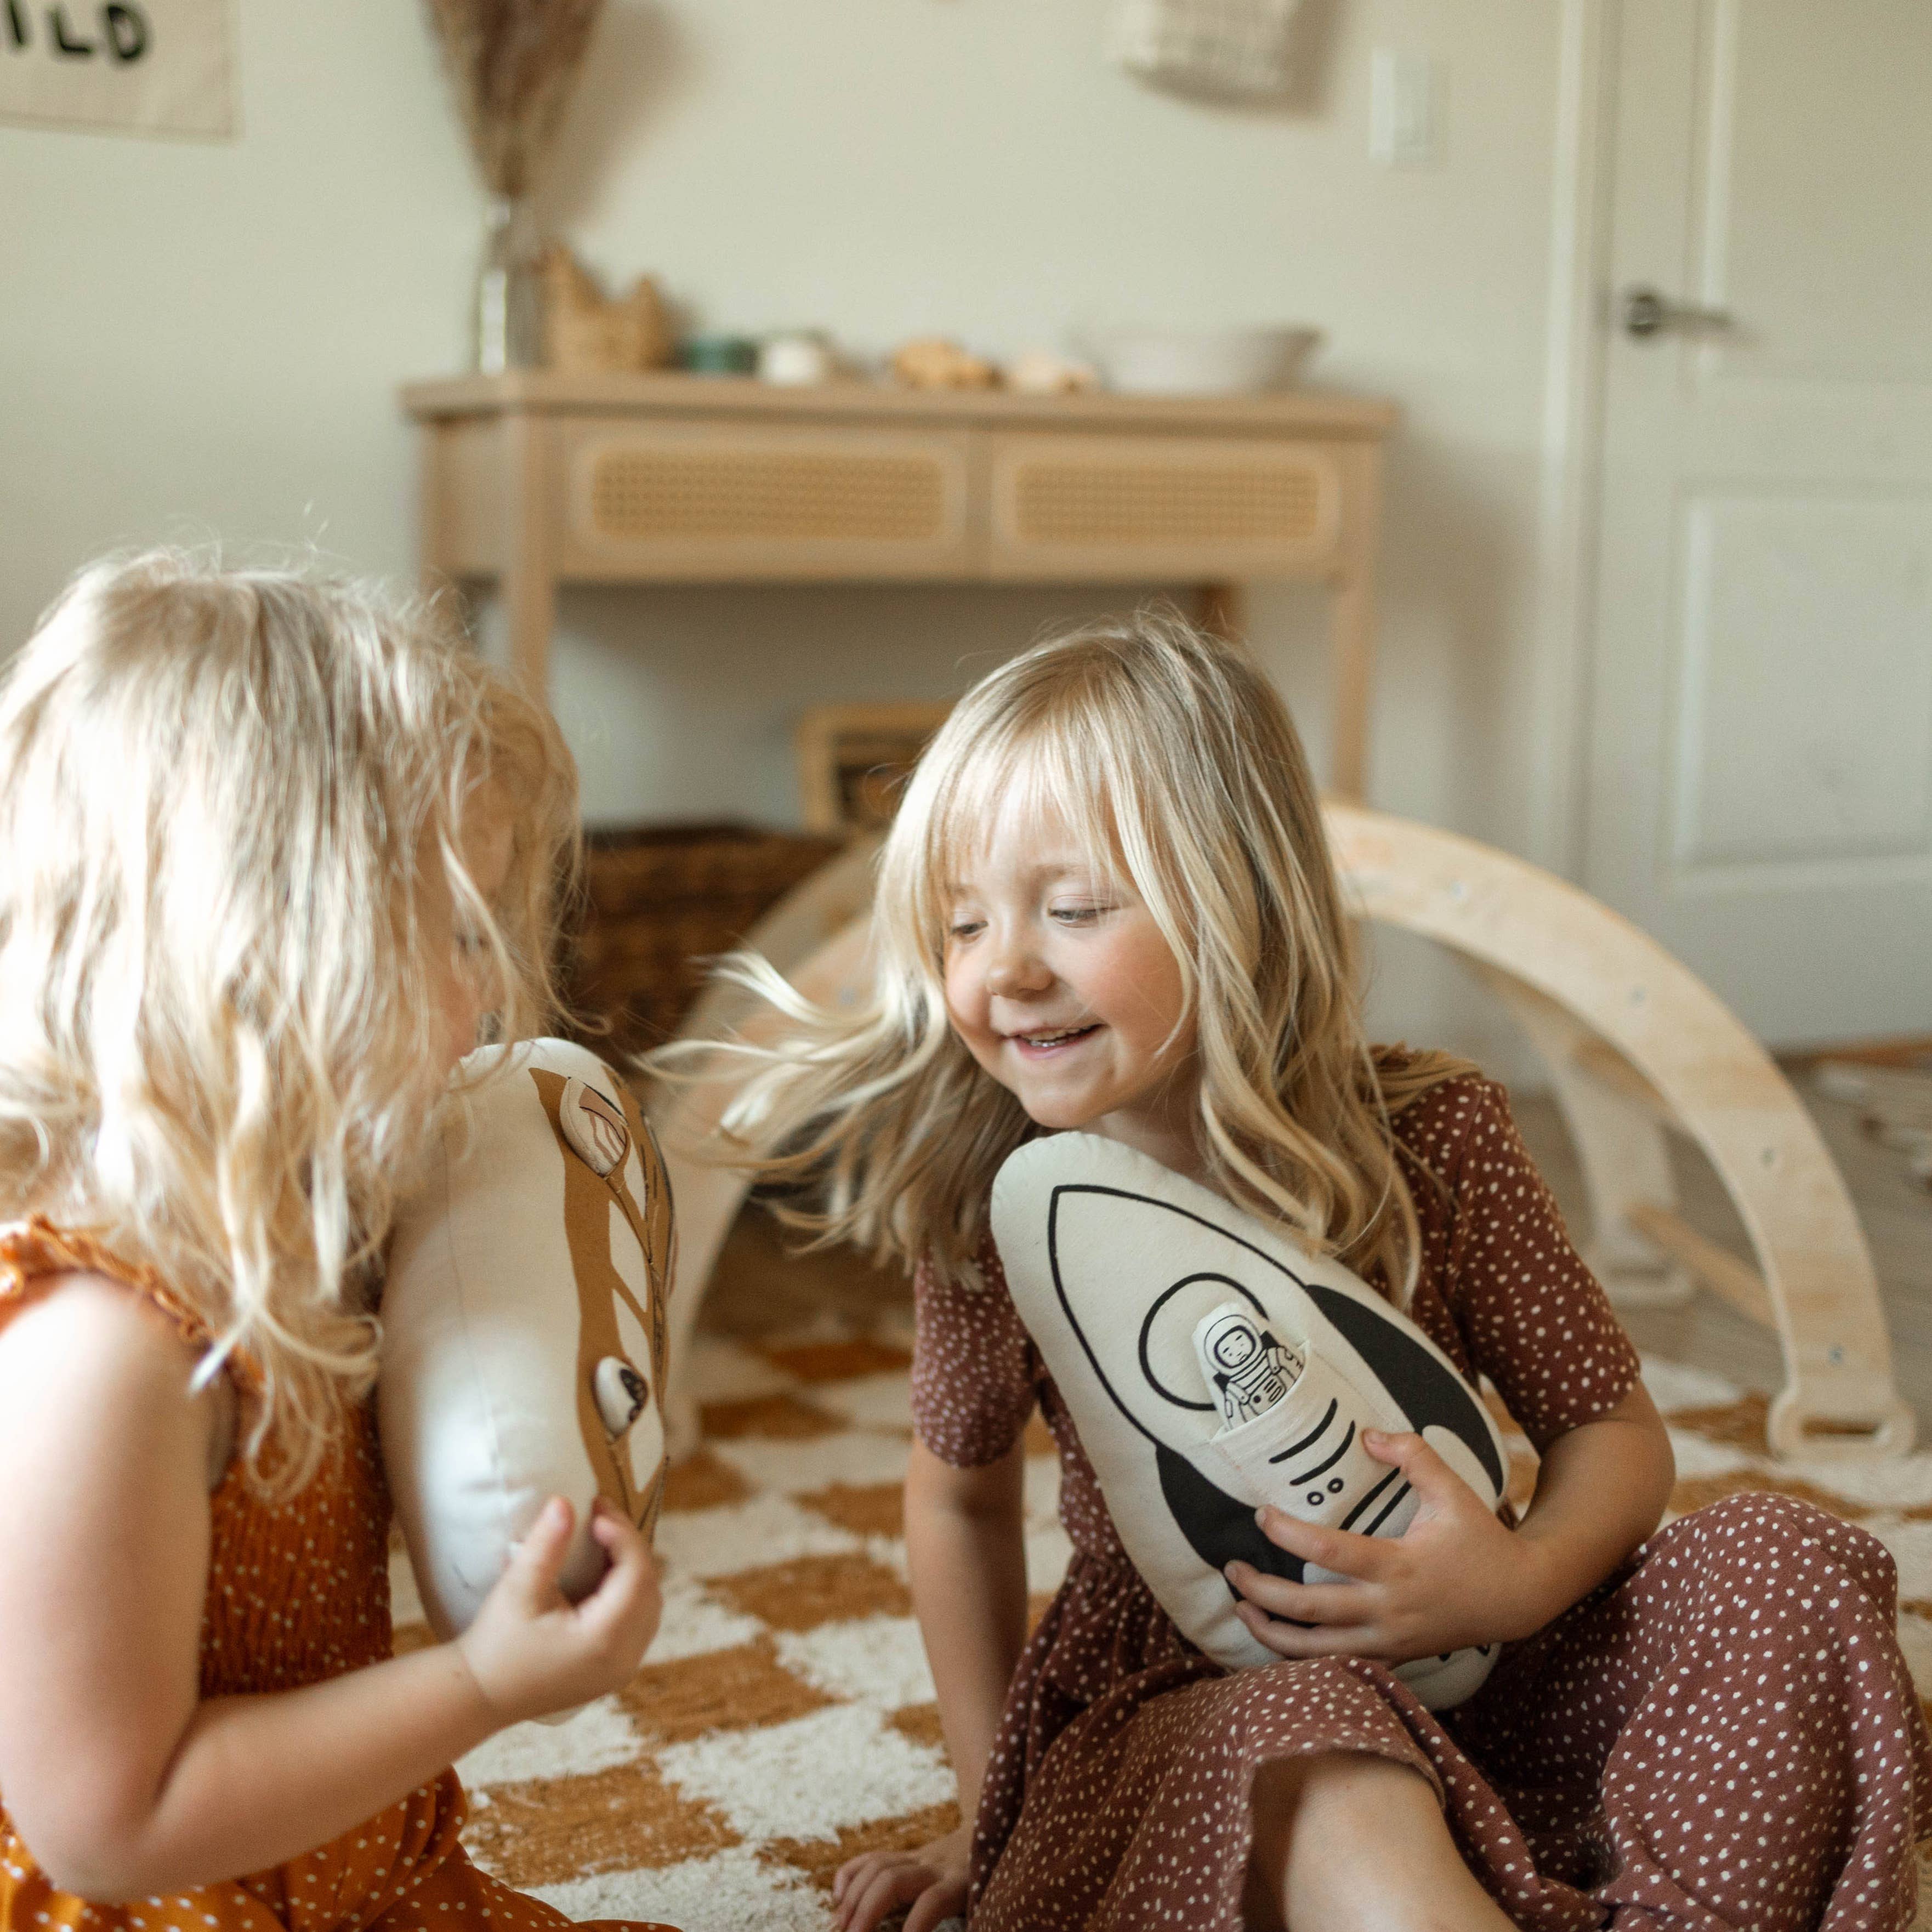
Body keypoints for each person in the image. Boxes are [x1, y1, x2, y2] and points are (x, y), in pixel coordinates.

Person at [673, 610, 1932, 1932]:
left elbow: (1611, 1434)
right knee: (1314, 1742)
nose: (1007, 970)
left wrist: (1514, 1581)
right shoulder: (995, 1214)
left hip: (1501, 1657)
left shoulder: (1438, 1136)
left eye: (1076, 907)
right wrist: (988, 1813)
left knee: (1783, 1556)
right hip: (1222, 1695)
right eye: (961, 925)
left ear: (1244, 896)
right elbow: (958, 1504)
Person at [0, 555, 677, 1932]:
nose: (490, 999)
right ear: (269, 955)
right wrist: (479, 1683)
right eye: (458, 937)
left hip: (352, 1879)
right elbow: (105, 1824)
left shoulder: (305, 1243)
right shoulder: (104, 1351)